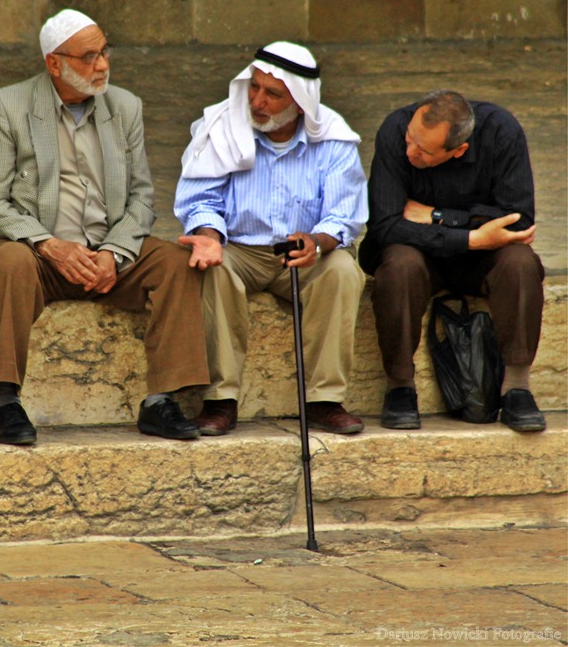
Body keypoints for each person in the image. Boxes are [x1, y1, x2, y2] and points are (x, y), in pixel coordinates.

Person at [0, 8, 210, 445]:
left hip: (104, 251)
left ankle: (161, 401)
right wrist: (50, 245)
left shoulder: (125, 107)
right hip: (40, 254)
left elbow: (141, 197)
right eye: (88, 57)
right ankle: (5, 401)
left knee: (177, 264)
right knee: (8, 262)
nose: (102, 66)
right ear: (54, 63)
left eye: (104, 53)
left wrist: (114, 254)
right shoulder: (9, 106)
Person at [175, 42, 368, 436]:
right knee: (212, 267)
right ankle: (220, 400)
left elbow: (343, 215)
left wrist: (317, 242)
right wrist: (210, 237)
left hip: (302, 255)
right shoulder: (222, 127)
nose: (258, 101)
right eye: (254, 88)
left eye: (272, 94)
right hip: (238, 248)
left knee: (343, 270)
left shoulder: (332, 138)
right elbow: (201, 200)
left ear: (299, 102)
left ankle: (324, 400)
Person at [358, 90, 546, 432]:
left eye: (424, 150)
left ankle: (517, 387)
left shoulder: (501, 132)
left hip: (482, 258)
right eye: (411, 138)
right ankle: (400, 386)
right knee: (398, 265)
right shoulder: (395, 129)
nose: (409, 150)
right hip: (419, 255)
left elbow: (517, 222)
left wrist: (436, 215)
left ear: (458, 150)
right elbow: (386, 225)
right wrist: (474, 233)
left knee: (520, 262)